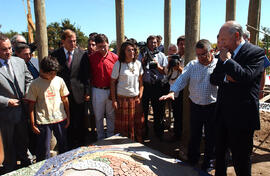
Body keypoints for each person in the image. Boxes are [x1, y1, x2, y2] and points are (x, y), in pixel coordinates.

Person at [210, 21, 265, 176]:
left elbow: (246, 76)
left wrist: (228, 61)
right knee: (220, 156)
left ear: (236, 36)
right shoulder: (223, 52)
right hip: (222, 115)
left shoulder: (255, 52)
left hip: (242, 117)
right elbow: (214, 78)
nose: (220, 43)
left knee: (241, 160)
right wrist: (228, 78)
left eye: (223, 39)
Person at [160, 39, 218, 171]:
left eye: (203, 54)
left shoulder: (219, 65)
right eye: (198, 55)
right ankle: (192, 160)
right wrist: (173, 91)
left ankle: (207, 163)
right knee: (195, 135)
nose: (200, 58)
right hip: (196, 106)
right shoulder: (192, 65)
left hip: (212, 107)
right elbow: (182, 79)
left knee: (210, 137)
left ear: (211, 51)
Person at [51, 29, 90, 149]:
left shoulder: (82, 54)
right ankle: (68, 146)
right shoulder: (55, 55)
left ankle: (81, 145)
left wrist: (87, 92)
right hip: (62, 95)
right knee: (66, 121)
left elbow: (86, 75)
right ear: (63, 41)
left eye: (74, 41)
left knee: (80, 120)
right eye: (70, 41)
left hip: (79, 94)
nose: (73, 43)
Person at [26, 56, 70, 162]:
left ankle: (64, 164)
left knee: (64, 144)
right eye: (50, 73)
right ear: (42, 71)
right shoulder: (35, 84)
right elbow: (31, 105)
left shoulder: (59, 81)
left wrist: (68, 116)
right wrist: (33, 123)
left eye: (54, 73)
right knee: (44, 149)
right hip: (43, 121)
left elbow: (65, 100)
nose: (52, 76)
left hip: (60, 118)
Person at [0, 34, 33, 174]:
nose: (8, 52)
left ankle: (27, 166)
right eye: (4, 49)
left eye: (9, 48)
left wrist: (27, 92)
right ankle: (10, 169)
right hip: (5, 114)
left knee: (23, 141)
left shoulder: (19, 62)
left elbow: (29, 79)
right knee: (8, 145)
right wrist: (6, 101)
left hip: (22, 111)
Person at [110, 41, 144, 143]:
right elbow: (112, 83)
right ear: (123, 52)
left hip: (135, 99)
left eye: (133, 50)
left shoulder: (138, 64)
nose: (131, 52)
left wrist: (140, 96)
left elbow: (141, 82)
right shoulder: (118, 64)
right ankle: (123, 146)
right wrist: (114, 100)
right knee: (123, 127)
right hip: (122, 100)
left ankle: (135, 145)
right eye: (129, 50)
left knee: (136, 124)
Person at [89, 34, 118, 140]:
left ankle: (110, 136)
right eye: (99, 46)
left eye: (104, 46)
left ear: (108, 44)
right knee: (99, 115)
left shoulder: (115, 57)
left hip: (111, 90)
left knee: (111, 115)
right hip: (97, 90)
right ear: (96, 46)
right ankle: (100, 137)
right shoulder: (91, 58)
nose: (102, 48)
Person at [139, 35, 168, 140]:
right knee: (144, 110)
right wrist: (143, 62)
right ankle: (144, 131)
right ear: (147, 43)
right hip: (146, 86)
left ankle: (158, 132)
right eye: (151, 42)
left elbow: (165, 72)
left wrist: (157, 66)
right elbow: (138, 70)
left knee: (158, 110)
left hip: (157, 85)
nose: (153, 44)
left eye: (155, 42)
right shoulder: (141, 55)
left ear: (158, 43)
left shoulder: (161, 56)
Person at [243, 29, 270, 99]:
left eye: (243, 38)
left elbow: (263, 71)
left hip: (253, 90)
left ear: (248, 39)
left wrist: (261, 89)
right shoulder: (235, 52)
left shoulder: (257, 52)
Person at [165, 44, 184, 141]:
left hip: (183, 92)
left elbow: (187, 74)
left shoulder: (184, 59)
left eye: (174, 50)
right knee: (176, 113)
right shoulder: (168, 60)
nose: (172, 51)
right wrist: (169, 65)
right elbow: (166, 75)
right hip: (173, 91)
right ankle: (177, 134)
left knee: (182, 114)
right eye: (170, 50)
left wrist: (179, 68)